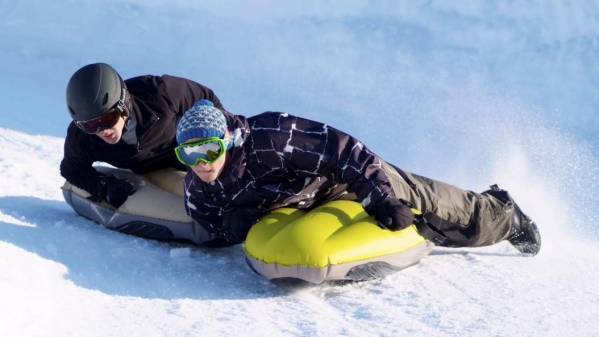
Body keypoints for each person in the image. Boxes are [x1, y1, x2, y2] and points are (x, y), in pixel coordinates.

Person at [174, 100, 541, 255]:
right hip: (301, 203)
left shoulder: (272, 138)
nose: (201, 163)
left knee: (422, 200)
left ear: (227, 141)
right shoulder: (198, 191)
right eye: (188, 155)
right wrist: (230, 227)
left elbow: (345, 151)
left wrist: (380, 197)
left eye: (209, 150)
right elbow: (210, 225)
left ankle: (505, 216)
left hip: (342, 177)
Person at [60, 63, 225, 209]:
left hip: (189, 157)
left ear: (123, 103)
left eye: (108, 118)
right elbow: (71, 169)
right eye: (90, 125)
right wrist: (104, 187)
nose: (102, 130)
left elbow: (207, 98)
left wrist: (211, 141)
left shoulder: (161, 93)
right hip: (150, 172)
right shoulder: (82, 136)